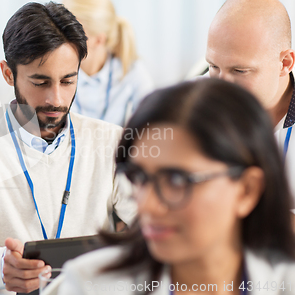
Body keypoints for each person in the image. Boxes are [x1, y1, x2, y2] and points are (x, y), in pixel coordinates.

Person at [0, 2, 137, 293]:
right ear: (8, 74)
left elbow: (152, 227)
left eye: (68, 80)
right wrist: (0, 268)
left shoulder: (111, 142)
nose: (56, 98)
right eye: (40, 82)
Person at [51, 79, 295, 295]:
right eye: (140, 178)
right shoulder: (88, 286)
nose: (147, 205)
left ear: (246, 190)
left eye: (176, 181)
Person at [205, 0, 295, 200]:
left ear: (285, 63)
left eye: (239, 71)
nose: (222, 86)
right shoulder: (191, 103)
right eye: (213, 66)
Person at [62, 0, 154, 126]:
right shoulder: (57, 68)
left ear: (98, 40)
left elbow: (152, 120)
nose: (59, 38)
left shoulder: (129, 69)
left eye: (69, 31)